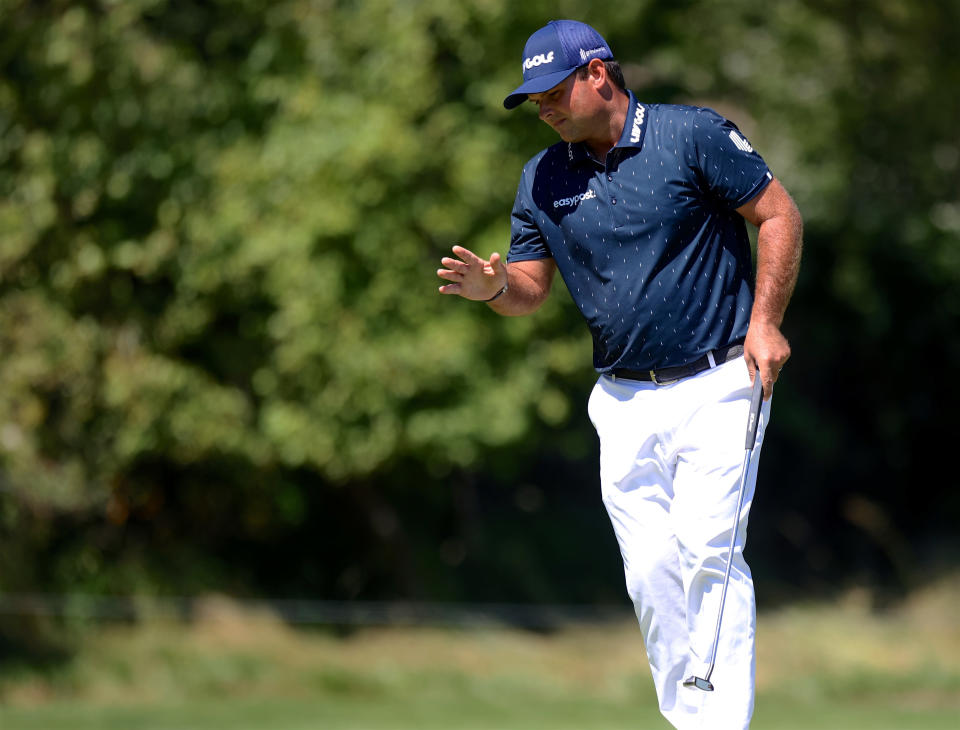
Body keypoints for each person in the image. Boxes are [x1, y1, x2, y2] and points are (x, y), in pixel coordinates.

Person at [437, 19, 802, 730]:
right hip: (623, 401)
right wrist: (491, 289)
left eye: (550, 92)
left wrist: (765, 322)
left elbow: (779, 215)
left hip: (719, 382)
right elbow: (529, 289)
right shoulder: (543, 177)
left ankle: (720, 725)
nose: (541, 108)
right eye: (532, 98)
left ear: (597, 74)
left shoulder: (688, 135)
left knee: (708, 550)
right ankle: (689, 718)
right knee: (649, 574)